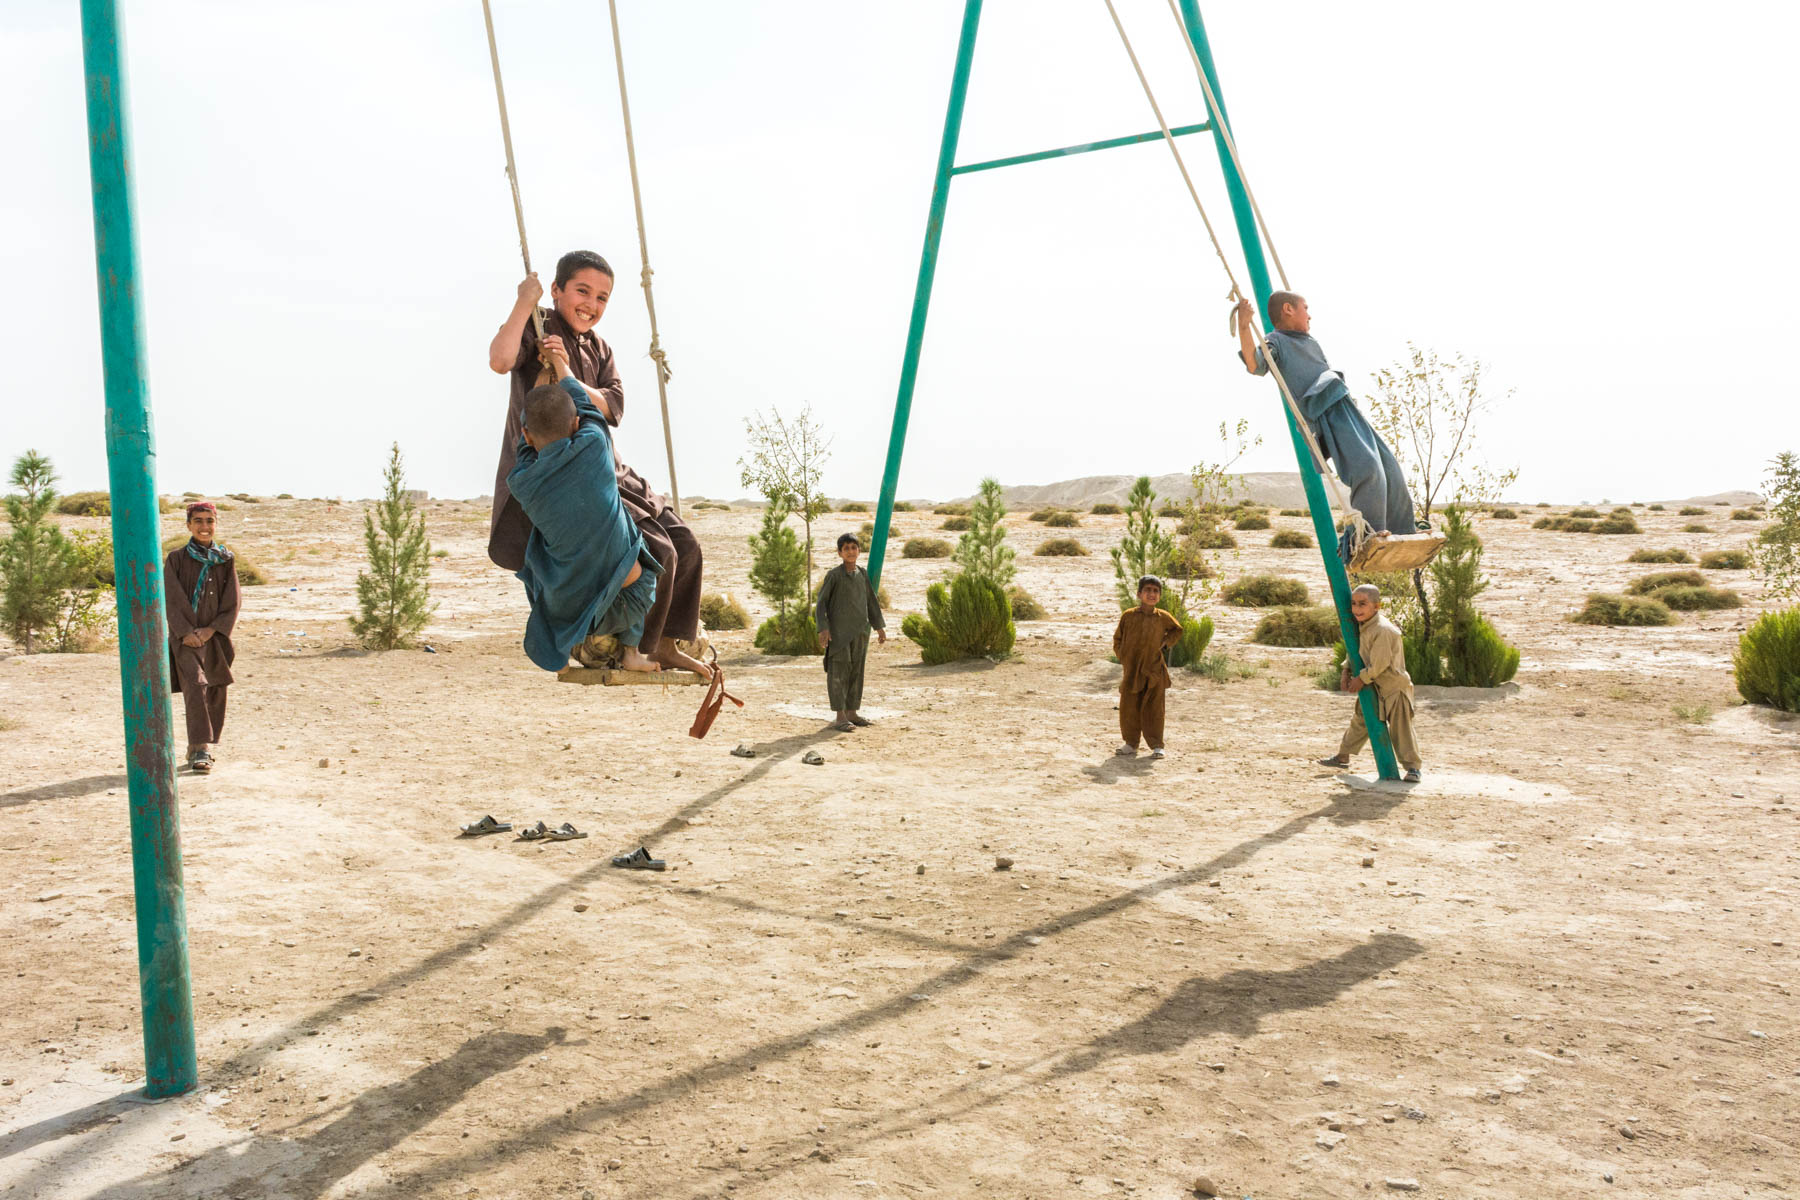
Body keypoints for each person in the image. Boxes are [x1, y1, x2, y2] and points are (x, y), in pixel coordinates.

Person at [486, 250, 711, 680]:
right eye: (582, 291)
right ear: (556, 291)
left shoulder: (600, 348)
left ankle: (665, 642)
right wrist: (522, 302)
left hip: (605, 467)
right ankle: (632, 647)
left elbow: (614, 407)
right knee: (655, 551)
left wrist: (569, 374)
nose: (591, 304)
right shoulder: (539, 327)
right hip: (564, 475)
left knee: (686, 543)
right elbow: (499, 360)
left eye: (602, 297)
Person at [506, 339, 662, 674]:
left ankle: (561, 654)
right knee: (644, 569)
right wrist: (560, 365)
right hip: (618, 601)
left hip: (564, 602)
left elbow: (525, 437)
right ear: (576, 425)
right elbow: (587, 407)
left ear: (528, 435)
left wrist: (539, 380)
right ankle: (631, 652)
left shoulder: (520, 480)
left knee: (537, 563)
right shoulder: (594, 445)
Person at [1235, 292, 1418, 556]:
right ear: (1288, 309)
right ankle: (1366, 535)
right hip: (1326, 413)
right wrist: (1244, 324)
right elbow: (1255, 365)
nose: (1309, 315)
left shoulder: (1308, 340)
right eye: (1305, 308)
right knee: (1367, 467)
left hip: (1346, 407)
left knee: (1389, 466)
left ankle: (1403, 529)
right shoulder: (1277, 342)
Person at [1317, 583, 1423, 782]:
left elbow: (1379, 664)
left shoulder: (1383, 630)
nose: (1357, 609)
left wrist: (1361, 679)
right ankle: (1343, 755)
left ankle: (1413, 768)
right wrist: (1346, 670)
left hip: (1393, 687)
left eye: (1363, 604)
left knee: (1401, 730)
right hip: (1373, 685)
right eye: (1354, 604)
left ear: (1376, 606)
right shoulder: (1362, 626)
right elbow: (1355, 650)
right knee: (1361, 719)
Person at [164, 502, 239, 773]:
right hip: (185, 639)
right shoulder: (176, 559)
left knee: (216, 688)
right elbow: (171, 599)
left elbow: (232, 601)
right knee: (196, 686)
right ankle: (200, 749)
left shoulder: (225, 560)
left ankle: (201, 744)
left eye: (209, 521)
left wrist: (212, 630)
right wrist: (186, 632)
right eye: (198, 521)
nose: (204, 527)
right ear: (188, 525)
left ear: (215, 524)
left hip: (215, 638)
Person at [815, 532, 886, 732]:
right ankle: (840, 716)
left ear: (859, 551)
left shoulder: (862, 574)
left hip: (859, 633)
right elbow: (821, 604)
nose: (850, 551)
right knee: (839, 672)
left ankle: (852, 712)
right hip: (839, 635)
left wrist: (879, 627)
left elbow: (871, 602)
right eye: (846, 548)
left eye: (853, 548)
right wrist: (823, 628)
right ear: (839, 553)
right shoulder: (834, 575)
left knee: (856, 671)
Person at [1112, 575, 1183, 759]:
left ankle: (1157, 745)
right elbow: (1117, 639)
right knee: (1129, 706)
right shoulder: (1128, 616)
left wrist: (1166, 643)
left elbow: (1177, 630)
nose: (1151, 594)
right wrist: (1124, 657)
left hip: (1154, 670)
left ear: (1159, 595)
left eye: (1155, 591)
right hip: (1132, 670)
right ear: (1139, 593)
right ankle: (1130, 743)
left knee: (1155, 708)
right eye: (1148, 590)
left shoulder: (1163, 617)